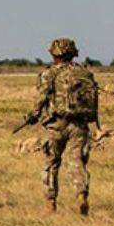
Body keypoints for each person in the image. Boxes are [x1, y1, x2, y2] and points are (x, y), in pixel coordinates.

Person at [21, 38, 100, 216]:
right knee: (77, 162)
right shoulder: (84, 73)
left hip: (56, 125)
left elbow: (41, 98)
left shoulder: (49, 74)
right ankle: (81, 195)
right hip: (79, 124)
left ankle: (50, 203)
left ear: (54, 54)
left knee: (51, 163)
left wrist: (33, 115)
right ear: (73, 54)